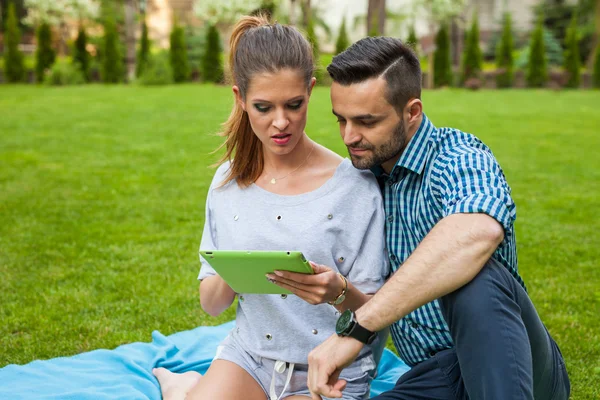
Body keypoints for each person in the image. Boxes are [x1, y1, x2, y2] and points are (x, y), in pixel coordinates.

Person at [306, 37, 571, 400]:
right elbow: (386, 304)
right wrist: (338, 290)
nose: (350, 136)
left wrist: (357, 330)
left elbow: (476, 232)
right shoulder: (361, 182)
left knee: (473, 274)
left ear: (412, 111)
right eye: (342, 120)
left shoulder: (458, 156)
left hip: (515, 365)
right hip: (437, 377)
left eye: (366, 121)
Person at [152, 15, 390, 400]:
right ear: (240, 99)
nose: (281, 123)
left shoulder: (356, 188)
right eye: (263, 107)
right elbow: (211, 306)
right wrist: (235, 269)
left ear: (311, 92)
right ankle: (186, 388)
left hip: (330, 368)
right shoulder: (228, 183)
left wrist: (338, 290)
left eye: (294, 105)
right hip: (250, 358)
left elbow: (378, 315)